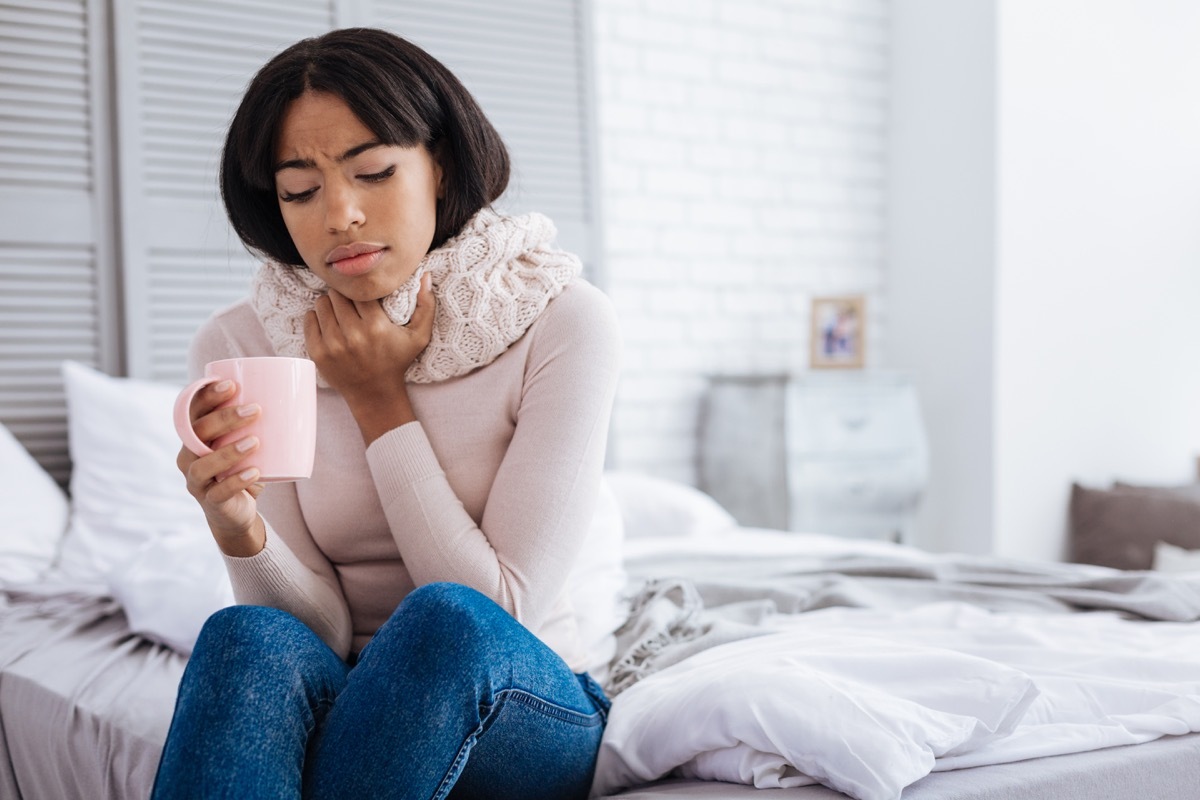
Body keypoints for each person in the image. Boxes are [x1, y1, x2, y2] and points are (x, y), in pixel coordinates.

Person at [153, 27, 621, 800]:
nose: (340, 215)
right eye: (299, 190)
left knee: (443, 621)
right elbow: (321, 636)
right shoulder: (241, 341)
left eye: (373, 173)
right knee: (246, 635)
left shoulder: (563, 320)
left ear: (440, 164)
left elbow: (501, 607)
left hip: (520, 697)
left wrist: (378, 402)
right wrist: (241, 533)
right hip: (345, 689)